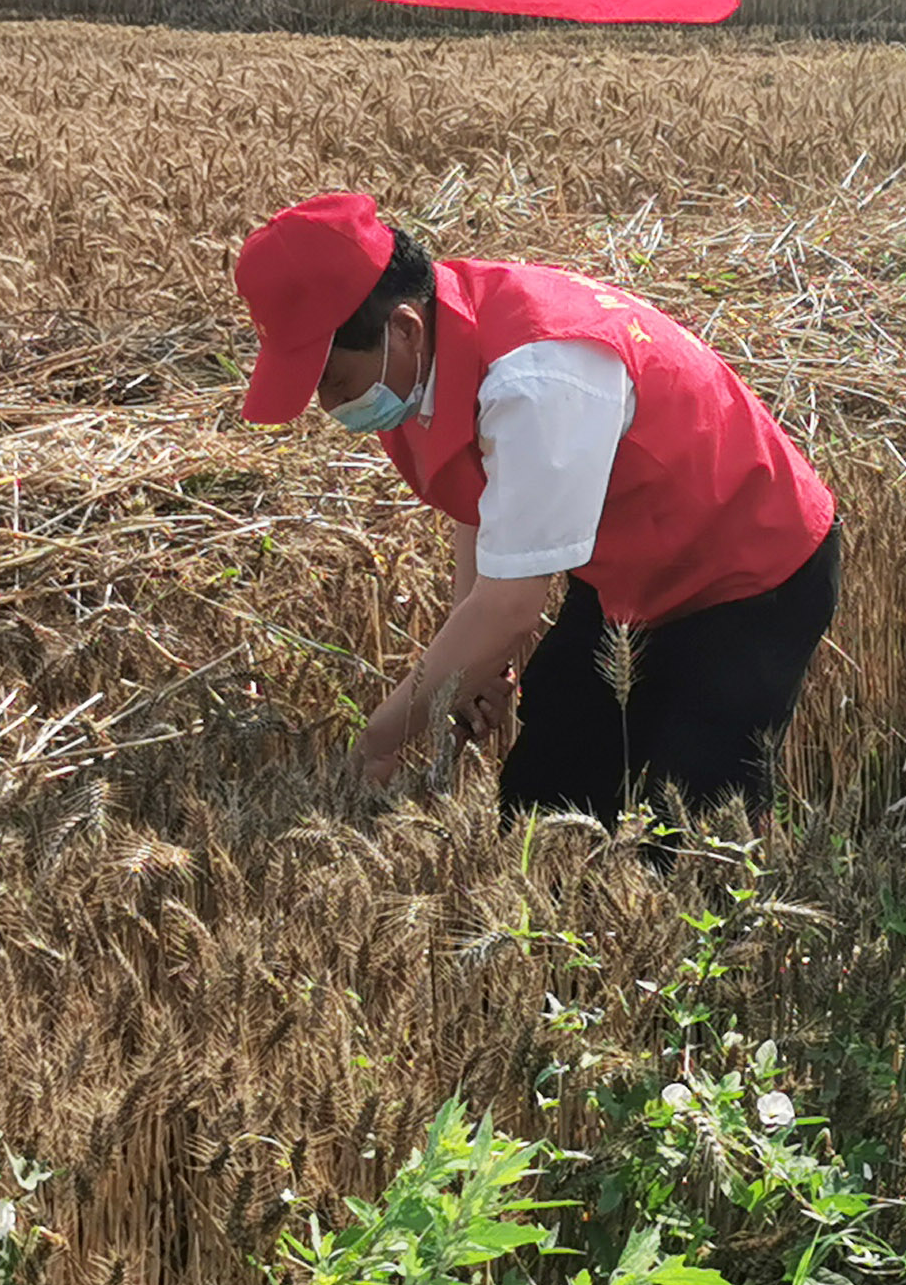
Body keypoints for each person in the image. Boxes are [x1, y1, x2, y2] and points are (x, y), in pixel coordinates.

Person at [234, 190, 841, 820]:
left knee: (691, 827)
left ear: (403, 329)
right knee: (545, 795)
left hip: (751, 572)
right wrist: (474, 664)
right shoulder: (425, 347)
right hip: (633, 567)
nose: (331, 409)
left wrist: (379, 742)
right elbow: (478, 503)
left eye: (332, 382)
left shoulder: (537, 377)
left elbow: (511, 603)